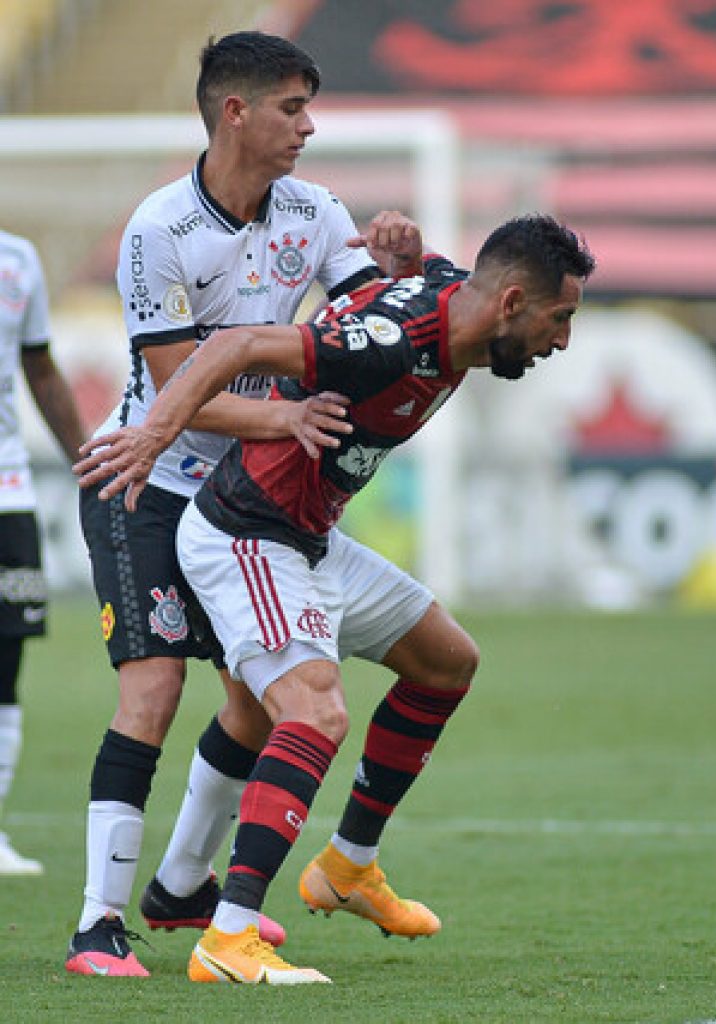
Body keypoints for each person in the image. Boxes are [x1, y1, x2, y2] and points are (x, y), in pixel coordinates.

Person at [76, 213, 596, 984]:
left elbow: (432, 275)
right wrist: (154, 438)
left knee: (447, 661)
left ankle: (348, 867)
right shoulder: (389, 345)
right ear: (513, 301)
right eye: (561, 319)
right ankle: (227, 937)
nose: (561, 341)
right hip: (246, 532)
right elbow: (233, 346)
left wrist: (405, 258)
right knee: (314, 712)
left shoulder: (453, 295)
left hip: (310, 536)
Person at [66, 30, 422, 977]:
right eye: (292, 108)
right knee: (153, 689)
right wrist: (286, 420)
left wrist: (398, 267)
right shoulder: (158, 231)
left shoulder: (316, 209)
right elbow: (178, 389)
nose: (309, 127)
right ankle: (96, 925)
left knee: (258, 707)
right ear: (236, 112)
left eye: (309, 107)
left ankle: (182, 891)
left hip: (240, 505)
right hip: (146, 481)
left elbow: (376, 333)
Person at [0, 230, 85, 874]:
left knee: (6, 661)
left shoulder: (19, 258)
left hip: (9, 491)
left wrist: (88, 462)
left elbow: (41, 368)